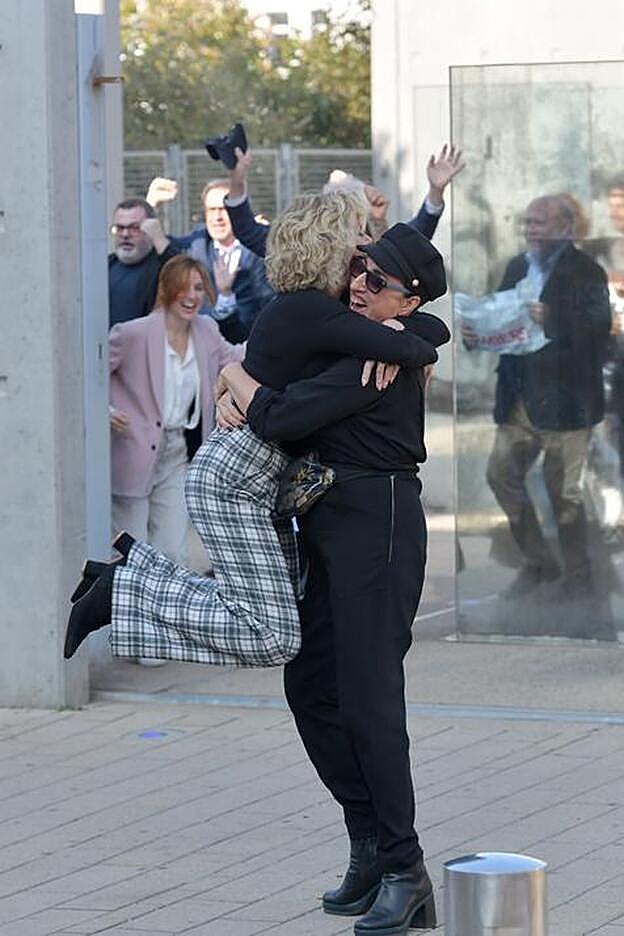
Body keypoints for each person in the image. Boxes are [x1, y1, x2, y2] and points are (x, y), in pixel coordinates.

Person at [64, 192, 440, 673]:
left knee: (275, 620)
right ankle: (122, 590)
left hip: (251, 480)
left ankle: (128, 576)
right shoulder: (311, 311)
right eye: (358, 237)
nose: (367, 247)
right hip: (235, 480)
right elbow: (417, 347)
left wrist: (396, 322)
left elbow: (423, 330)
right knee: (274, 637)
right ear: (331, 246)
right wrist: (396, 330)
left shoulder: (315, 309)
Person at [217, 223, 450, 936]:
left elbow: (284, 414)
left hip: (375, 522)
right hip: (332, 521)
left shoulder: (374, 364)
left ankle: (406, 871)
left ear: (404, 301)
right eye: (360, 269)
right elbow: (287, 391)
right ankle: (372, 846)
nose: (359, 284)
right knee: (312, 684)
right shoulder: (364, 341)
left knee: (370, 697)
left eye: (377, 281)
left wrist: (233, 378)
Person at [469, 194, 611, 600]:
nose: (530, 230)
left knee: (564, 493)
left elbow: (599, 332)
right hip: (518, 400)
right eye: (527, 223)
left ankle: (579, 578)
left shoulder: (585, 272)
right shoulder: (517, 266)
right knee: (501, 476)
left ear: (565, 228)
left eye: (539, 223)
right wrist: (479, 331)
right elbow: (501, 313)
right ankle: (538, 562)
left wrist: (554, 320)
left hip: (567, 403)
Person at [107, 255, 243, 663]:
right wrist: (103, 409)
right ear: (166, 289)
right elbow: (90, 370)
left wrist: (289, 330)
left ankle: (158, 634)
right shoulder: (133, 333)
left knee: (172, 548)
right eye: (184, 288)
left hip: (177, 451)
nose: (192, 296)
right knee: (133, 547)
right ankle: (128, 631)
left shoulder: (206, 330)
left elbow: (235, 358)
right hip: (132, 449)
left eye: (199, 288)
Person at [221, 143, 465, 258]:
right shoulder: (303, 240)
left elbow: (415, 238)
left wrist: (436, 192)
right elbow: (248, 230)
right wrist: (236, 180)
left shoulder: (370, 242)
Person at [149, 177, 273, 343]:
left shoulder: (259, 251)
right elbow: (157, 245)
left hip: (250, 345)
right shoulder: (196, 246)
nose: (217, 217)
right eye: (211, 210)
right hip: (201, 344)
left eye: (223, 209)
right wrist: (151, 205)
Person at [108, 197, 180, 327]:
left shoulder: (160, 266)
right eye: (120, 228)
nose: (125, 234)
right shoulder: (106, 266)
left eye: (134, 227)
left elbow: (183, 277)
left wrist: (159, 239)